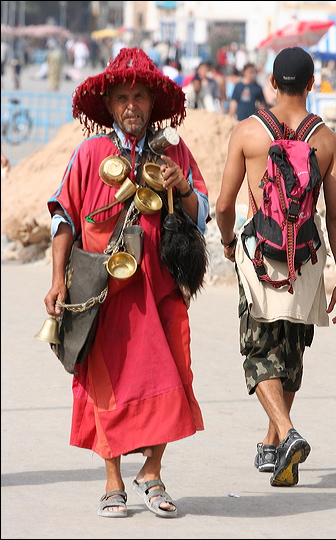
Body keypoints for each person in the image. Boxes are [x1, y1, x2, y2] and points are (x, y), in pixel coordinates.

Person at [43, 47, 210, 518]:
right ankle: (113, 480)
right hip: (104, 293)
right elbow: (64, 218)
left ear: (153, 103)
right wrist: (58, 280)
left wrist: (181, 188)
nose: (132, 105)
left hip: (162, 291)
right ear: (110, 105)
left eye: (139, 96)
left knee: (175, 378)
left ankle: (152, 473)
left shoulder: (174, 151)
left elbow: (201, 216)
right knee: (107, 385)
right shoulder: (91, 152)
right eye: (122, 97)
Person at [215, 47, 336, 487]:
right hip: (307, 257)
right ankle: (273, 445)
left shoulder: (247, 133)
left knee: (259, 354)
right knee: (291, 353)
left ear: (272, 83)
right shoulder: (328, 141)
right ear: (312, 84)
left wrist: (228, 239)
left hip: (259, 253)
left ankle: (287, 433)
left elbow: (223, 205)